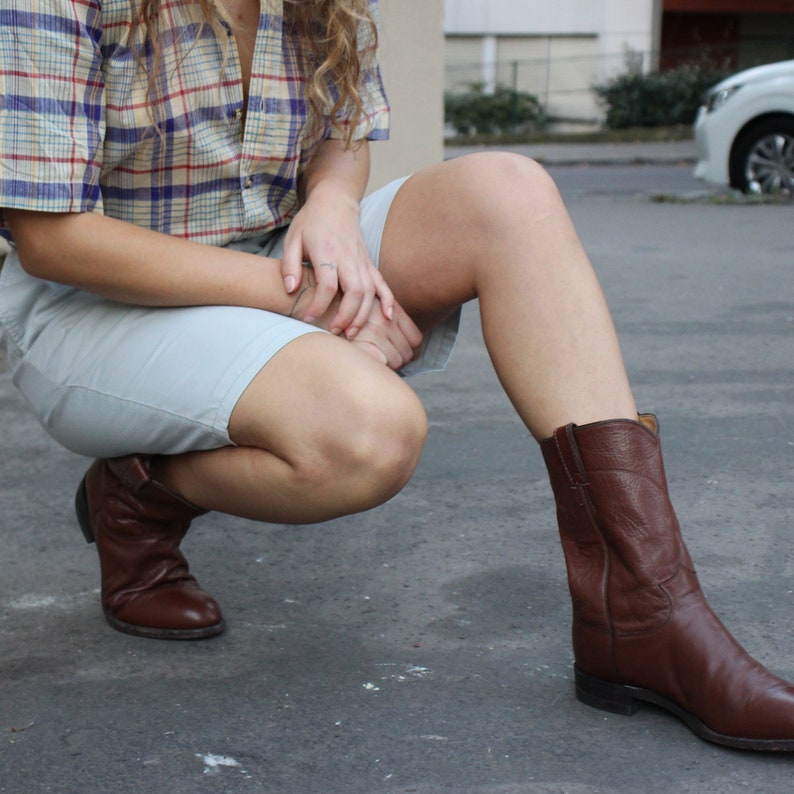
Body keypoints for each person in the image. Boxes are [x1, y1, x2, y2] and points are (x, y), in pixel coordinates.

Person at [1, 0, 793, 753]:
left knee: (508, 193)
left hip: (274, 251)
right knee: (366, 435)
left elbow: (343, 130)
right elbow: (55, 239)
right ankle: (141, 490)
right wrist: (316, 299)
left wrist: (334, 207)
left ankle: (645, 610)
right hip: (95, 304)